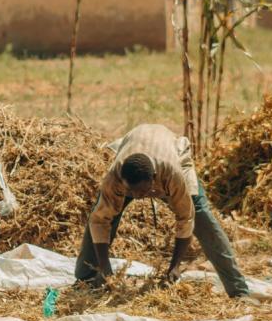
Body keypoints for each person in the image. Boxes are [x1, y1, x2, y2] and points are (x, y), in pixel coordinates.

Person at [75, 123, 252, 299]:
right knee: (103, 214)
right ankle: (86, 280)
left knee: (201, 217)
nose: (137, 197)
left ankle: (238, 290)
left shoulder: (173, 174)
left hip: (170, 153)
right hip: (136, 143)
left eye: (143, 192)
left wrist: (174, 266)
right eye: (132, 192)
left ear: (154, 179)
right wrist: (105, 268)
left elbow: (185, 218)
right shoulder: (115, 178)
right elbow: (100, 221)